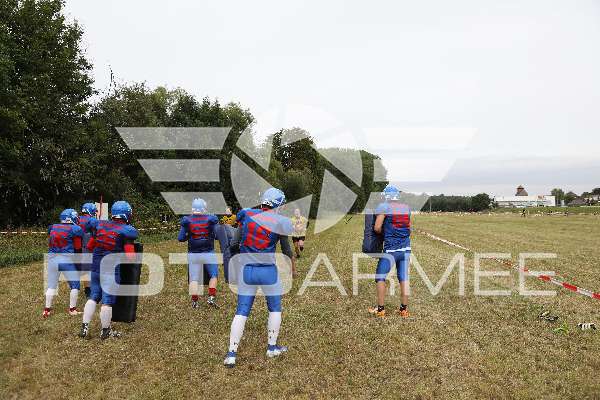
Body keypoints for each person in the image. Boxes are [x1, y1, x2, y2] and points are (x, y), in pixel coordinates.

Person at [224, 188, 295, 368]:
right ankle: (271, 348)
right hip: (268, 271)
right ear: (278, 204)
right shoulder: (280, 222)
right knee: (275, 309)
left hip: (247, 269)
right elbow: (286, 250)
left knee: (241, 311)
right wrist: (291, 268)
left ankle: (231, 354)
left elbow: (233, 244)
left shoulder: (247, 214)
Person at [78, 201, 138, 340]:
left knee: (93, 296)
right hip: (110, 271)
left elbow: (90, 245)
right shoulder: (126, 231)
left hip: (96, 268)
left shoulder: (100, 225)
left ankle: (84, 328)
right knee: (107, 301)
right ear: (127, 214)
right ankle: (105, 331)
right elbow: (131, 257)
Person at [368, 185, 411, 318]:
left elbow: (377, 228)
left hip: (391, 250)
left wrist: (384, 234)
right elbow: (407, 227)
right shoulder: (406, 207)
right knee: (403, 277)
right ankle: (403, 310)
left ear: (386, 196)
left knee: (380, 277)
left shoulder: (384, 206)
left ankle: (381, 310)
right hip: (406, 249)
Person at [178, 198, 220, 308]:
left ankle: (195, 301)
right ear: (204, 208)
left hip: (194, 253)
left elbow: (180, 238)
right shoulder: (211, 219)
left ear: (193, 208)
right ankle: (211, 297)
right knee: (213, 275)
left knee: (194, 278)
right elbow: (217, 236)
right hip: (208, 252)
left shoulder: (187, 220)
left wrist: (189, 236)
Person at [44, 209, 84, 318]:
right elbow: (78, 248)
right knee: (75, 285)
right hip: (66, 260)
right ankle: (72, 310)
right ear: (71, 218)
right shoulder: (75, 229)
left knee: (52, 285)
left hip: (52, 259)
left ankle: (47, 310)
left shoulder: (53, 227)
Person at [78, 202, 98, 298]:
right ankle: (91, 290)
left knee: (85, 270)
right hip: (88, 248)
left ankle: (87, 289)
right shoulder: (92, 220)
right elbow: (96, 235)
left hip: (77, 248)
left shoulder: (76, 219)